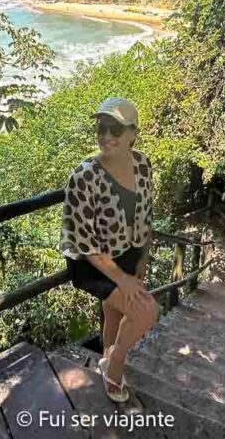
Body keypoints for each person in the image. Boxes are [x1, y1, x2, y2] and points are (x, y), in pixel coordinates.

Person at [60, 96, 158, 403]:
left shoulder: (142, 164)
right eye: (101, 127)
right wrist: (123, 279)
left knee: (115, 311)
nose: (106, 135)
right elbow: (82, 241)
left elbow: (146, 213)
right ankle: (114, 365)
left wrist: (142, 257)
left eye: (115, 129)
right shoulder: (84, 176)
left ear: (133, 134)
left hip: (128, 253)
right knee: (145, 311)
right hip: (92, 263)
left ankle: (105, 357)